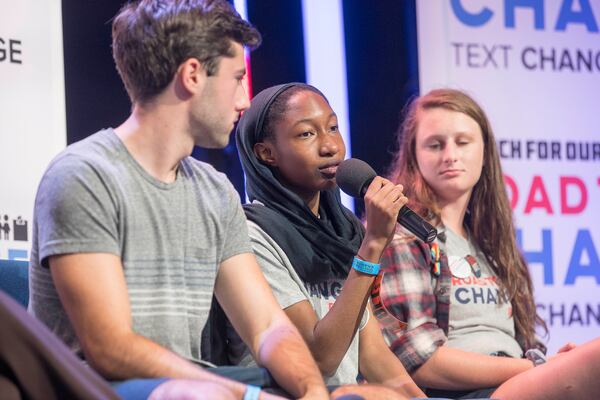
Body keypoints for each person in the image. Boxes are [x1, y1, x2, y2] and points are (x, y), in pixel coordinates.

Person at [28, 1, 328, 399]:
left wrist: (313, 392)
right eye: (237, 78)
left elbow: (267, 326)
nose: (244, 100)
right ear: (192, 76)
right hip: (91, 386)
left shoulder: (214, 189)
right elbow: (110, 348)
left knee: (375, 397)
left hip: (190, 384)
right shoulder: (84, 175)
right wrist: (249, 396)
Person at [377, 88, 600, 399]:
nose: (450, 155)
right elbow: (419, 361)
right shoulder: (401, 235)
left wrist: (551, 363)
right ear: (414, 155)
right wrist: (539, 367)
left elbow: (523, 348)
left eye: (463, 142)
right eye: (435, 145)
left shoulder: (493, 245)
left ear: (485, 151)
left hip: (512, 382)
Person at [233, 83, 426, 400]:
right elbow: (319, 358)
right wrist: (373, 246)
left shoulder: (343, 231)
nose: (330, 146)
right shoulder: (253, 234)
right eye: (306, 134)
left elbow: (376, 358)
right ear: (266, 153)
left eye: (333, 128)